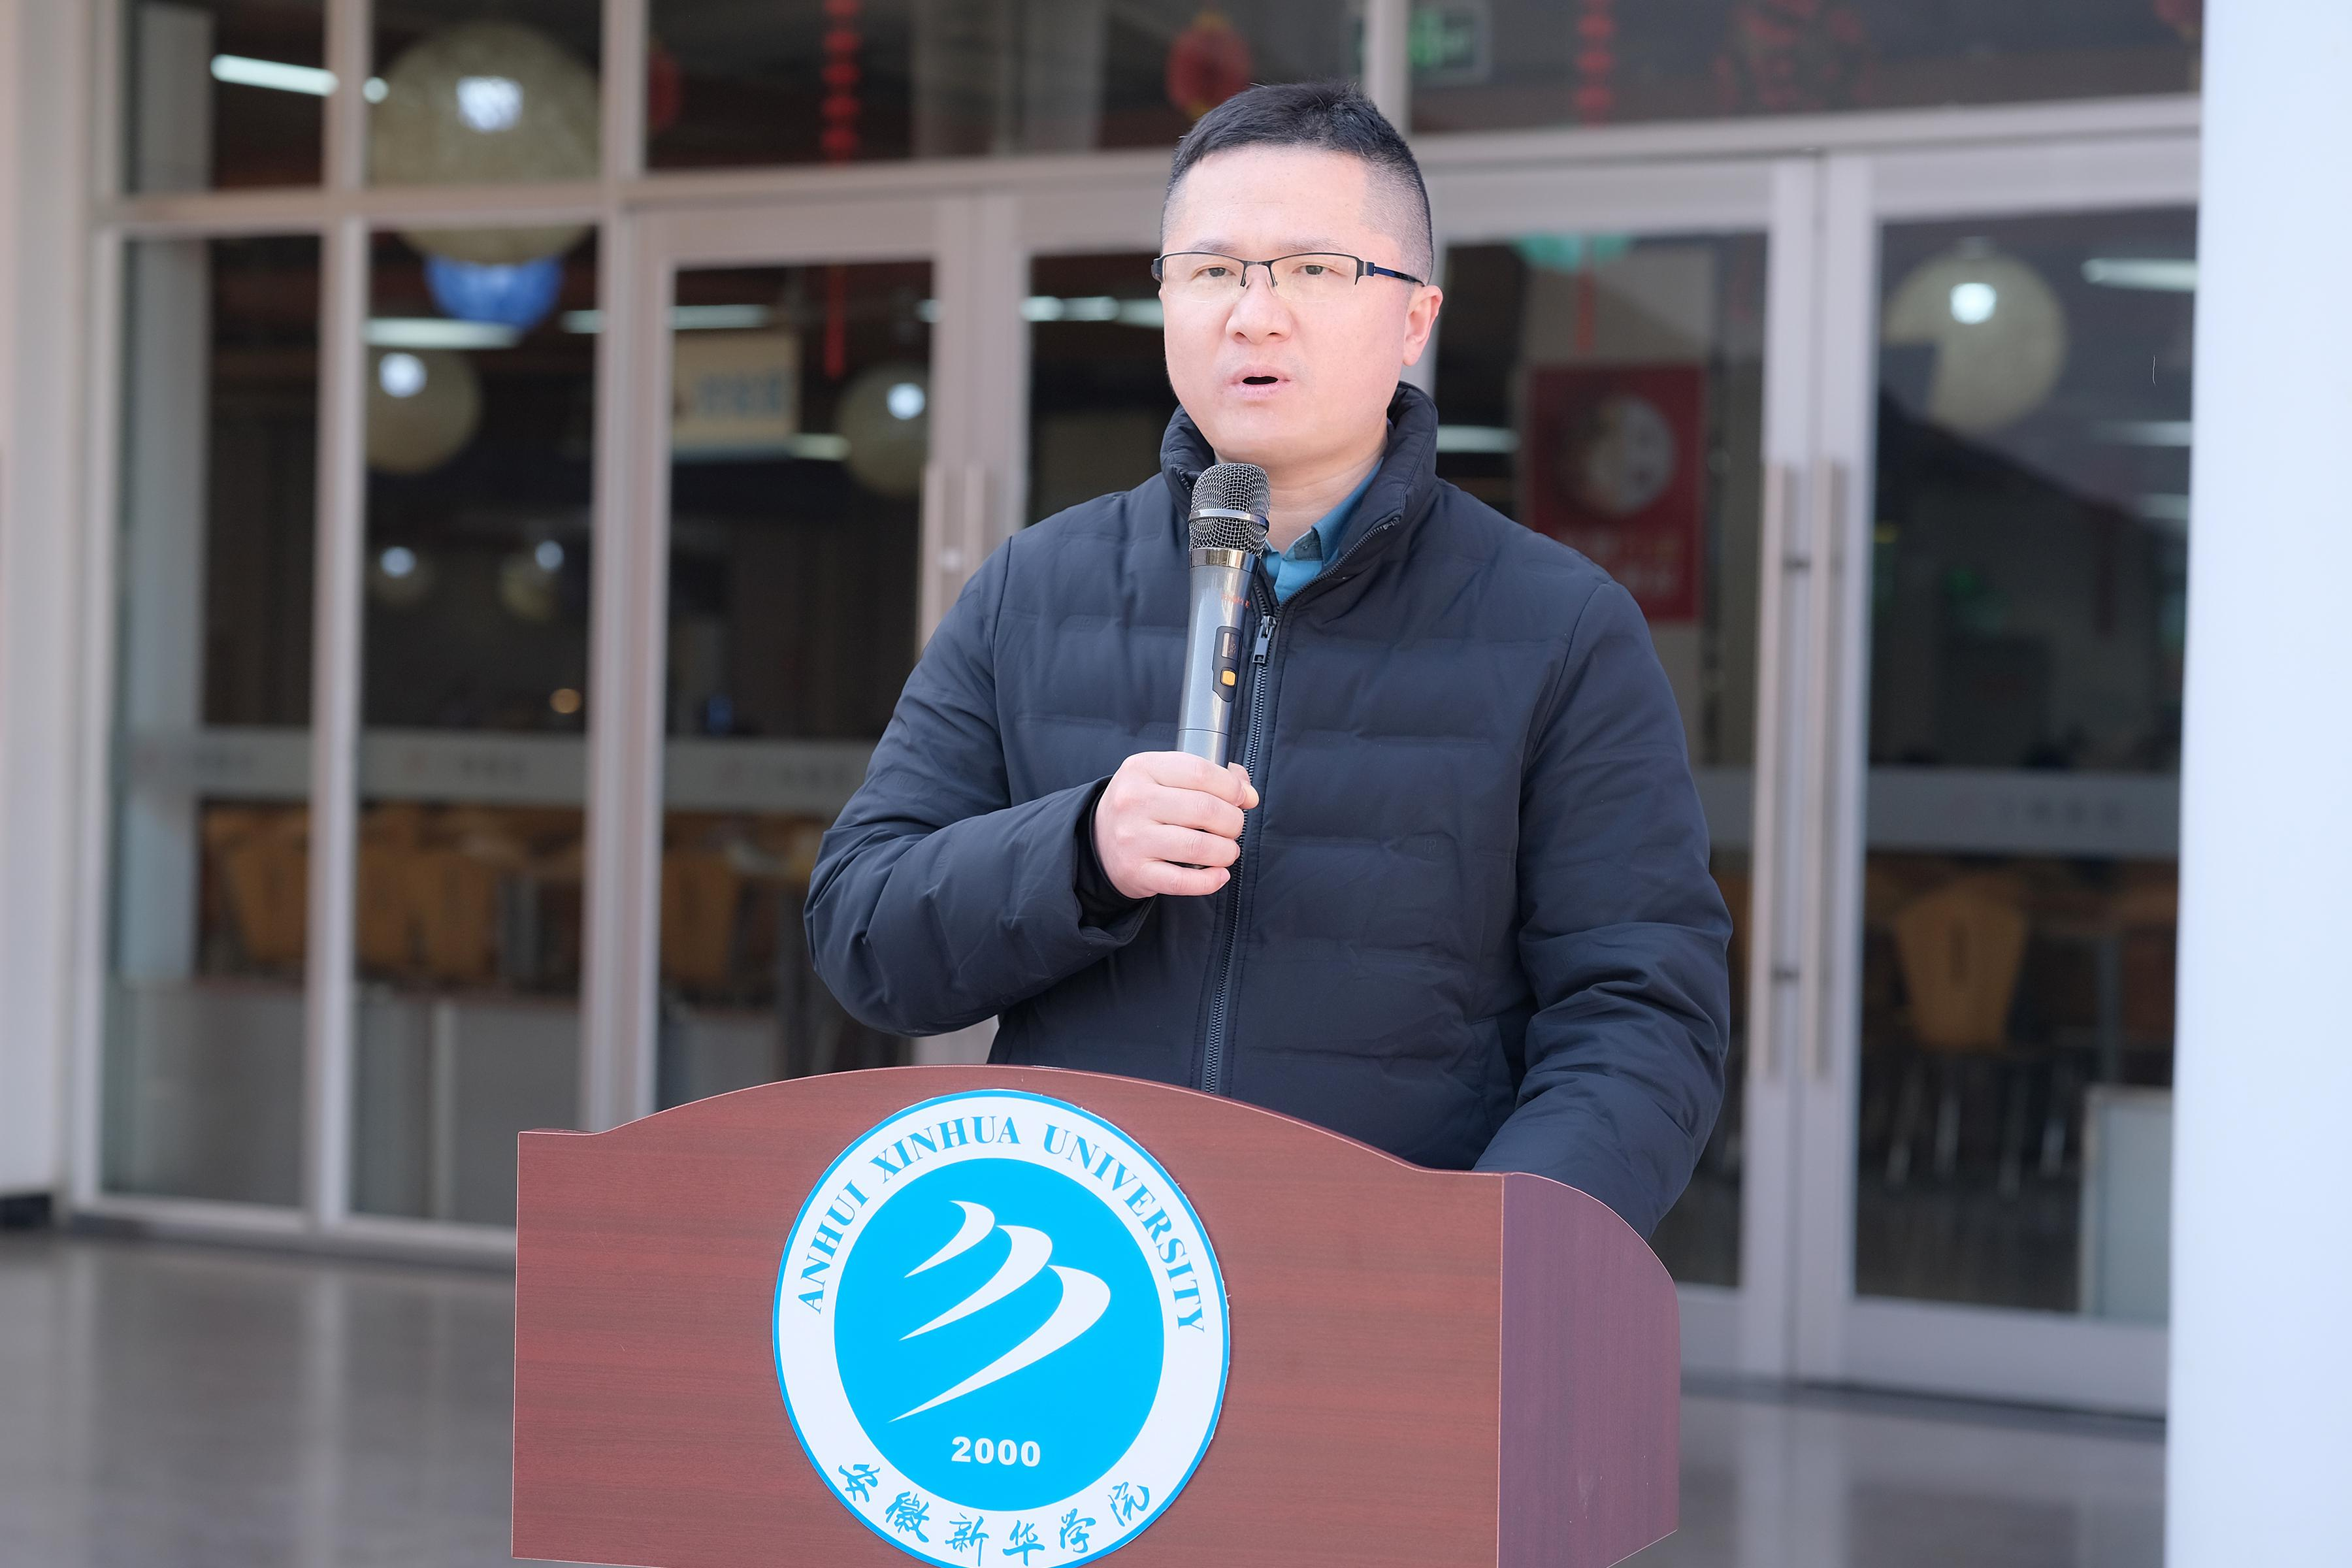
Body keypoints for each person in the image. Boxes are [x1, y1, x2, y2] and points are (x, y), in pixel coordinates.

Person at [806, 82, 1728, 1237]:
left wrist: (1494, 1254)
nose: (1254, 315)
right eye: (1210, 272)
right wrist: (1079, 852)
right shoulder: (1032, 591)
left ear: (1415, 319)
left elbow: (1640, 1016)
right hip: (1085, 1278)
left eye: (1312, 269)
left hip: (1388, 1279)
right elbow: (863, 931)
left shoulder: (1561, 627)